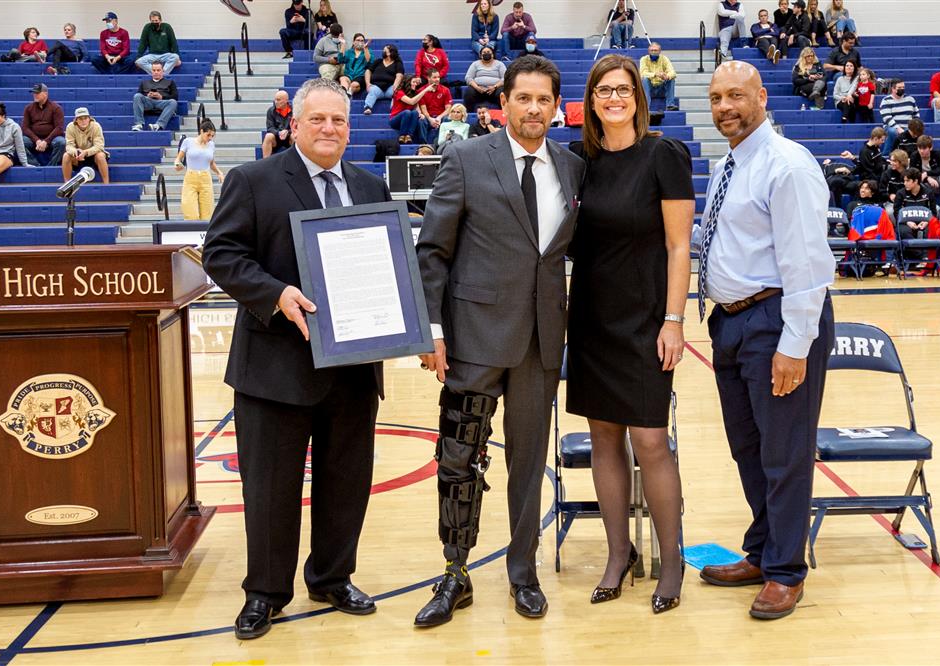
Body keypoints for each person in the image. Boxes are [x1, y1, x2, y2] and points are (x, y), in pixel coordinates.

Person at [203, 77, 390, 641]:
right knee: (269, 488)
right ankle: (265, 591)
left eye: (339, 120)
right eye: (318, 120)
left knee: (346, 481)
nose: (329, 129)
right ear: (294, 124)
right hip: (274, 368)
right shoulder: (254, 180)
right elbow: (221, 253)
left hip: (354, 368)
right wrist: (275, 294)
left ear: (349, 128)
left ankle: (333, 577)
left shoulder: (369, 184)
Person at [413, 55, 585, 628]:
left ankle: (523, 572)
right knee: (459, 459)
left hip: (541, 342)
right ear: (503, 102)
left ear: (555, 107)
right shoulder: (464, 158)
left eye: (544, 99)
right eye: (523, 98)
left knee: (530, 462)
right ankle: (455, 572)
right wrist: (432, 330)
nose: (533, 108)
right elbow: (433, 251)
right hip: (473, 339)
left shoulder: (572, 165)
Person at [696, 60, 834, 621]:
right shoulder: (732, 162)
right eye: (715, 98)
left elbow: (806, 263)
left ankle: (785, 572)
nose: (725, 106)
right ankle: (762, 550)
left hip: (778, 321)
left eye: (736, 95)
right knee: (748, 450)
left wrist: (795, 344)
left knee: (783, 453)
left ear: (761, 98)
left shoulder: (787, 165)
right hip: (732, 323)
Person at [566, 54, 694, 614]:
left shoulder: (664, 155)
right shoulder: (580, 162)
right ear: (591, 101)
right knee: (604, 441)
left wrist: (674, 319)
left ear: (637, 98)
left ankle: (672, 560)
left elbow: (678, 246)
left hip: (646, 320)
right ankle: (619, 555)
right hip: (593, 318)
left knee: (649, 442)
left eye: (623, 90)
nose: (613, 98)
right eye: (603, 91)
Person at [175, 119, 223, 220]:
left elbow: (211, 162)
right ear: (201, 131)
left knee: (207, 214)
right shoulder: (188, 141)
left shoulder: (211, 145)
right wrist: (177, 164)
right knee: (191, 213)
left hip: (205, 178)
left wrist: (219, 172)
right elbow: (179, 158)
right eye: (208, 135)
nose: (210, 138)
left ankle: (205, 235)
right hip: (191, 178)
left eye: (212, 136)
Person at [21, 83, 65, 167]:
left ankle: (51, 167)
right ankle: (35, 165)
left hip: (51, 138)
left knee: (61, 142)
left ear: (45, 94)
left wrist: (46, 141)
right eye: (34, 93)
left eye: (37, 93)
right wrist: (37, 140)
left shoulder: (56, 108)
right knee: (21, 141)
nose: (35, 95)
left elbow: (59, 128)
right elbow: (25, 128)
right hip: (34, 139)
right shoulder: (28, 108)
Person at [62, 107, 109, 185]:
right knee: (66, 156)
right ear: (76, 120)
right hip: (78, 156)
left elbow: (99, 146)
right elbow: (69, 145)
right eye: (80, 119)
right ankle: (67, 184)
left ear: (89, 118)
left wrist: (86, 152)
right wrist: (76, 152)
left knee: (100, 155)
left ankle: (106, 184)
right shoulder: (70, 127)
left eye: (85, 118)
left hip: (93, 155)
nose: (83, 121)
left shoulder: (96, 126)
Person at [132, 61, 178, 131]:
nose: (156, 72)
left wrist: (161, 97)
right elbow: (138, 97)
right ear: (151, 71)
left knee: (173, 102)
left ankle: (158, 125)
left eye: (158, 70)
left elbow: (175, 97)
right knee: (137, 96)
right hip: (148, 103)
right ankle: (139, 124)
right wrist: (147, 96)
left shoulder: (170, 82)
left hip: (162, 103)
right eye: (154, 70)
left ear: (163, 71)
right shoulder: (144, 83)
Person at [878, 79, 920, 156]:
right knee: (893, 132)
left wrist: (913, 127)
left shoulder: (910, 99)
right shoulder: (886, 100)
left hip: (908, 127)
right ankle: (887, 154)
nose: (902, 89)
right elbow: (887, 118)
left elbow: (916, 114)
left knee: (916, 131)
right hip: (892, 127)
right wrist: (898, 128)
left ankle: (909, 155)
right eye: (899, 88)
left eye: (903, 87)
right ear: (893, 89)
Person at [0, 103, 29, 184]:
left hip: (5, 154)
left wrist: (25, 163)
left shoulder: (14, 127)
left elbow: (20, 147)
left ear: (3, 116)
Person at [135, 11, 180, 76]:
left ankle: (160, 74)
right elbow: (143, 43)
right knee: (139, 62)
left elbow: (173, 42)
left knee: (175, 57)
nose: (154, 22)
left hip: (166, 54)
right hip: (152, 55)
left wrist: (178, 59)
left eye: (156, 20)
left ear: (160, 20)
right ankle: (160, 74)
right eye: (152, 21)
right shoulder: (147, 27)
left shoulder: (167, 27)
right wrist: (138, 56)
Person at [363, 44, 404, 115]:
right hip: (377, 87)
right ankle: (367, 108)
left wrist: (395, 86)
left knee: (397, 92)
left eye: (385, 50)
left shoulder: (398, 63)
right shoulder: (378, 61)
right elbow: (368, 71)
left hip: (391, 87)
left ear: (390, 53)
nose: (383, 51)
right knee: (372, 90)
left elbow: (399, 75)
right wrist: (368, 83)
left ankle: (394, 110)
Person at [463, 46, 506, 111]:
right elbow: (468, 78)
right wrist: (477, 87)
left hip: (495, 90)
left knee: (501, 92)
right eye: (484, 52)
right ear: (480, 55)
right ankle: (468, 113)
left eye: (488, 52)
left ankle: (503, 112)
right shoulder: (475, 64)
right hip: (478, 90)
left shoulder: (499, 64)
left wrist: (494, 87)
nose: (486, 53)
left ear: (493, 54)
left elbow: (505, 78)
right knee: (469, 92)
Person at [639, 42, 678, 111]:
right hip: (649, 89)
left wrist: (667, 76)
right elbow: (642, 73)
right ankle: (645, 107)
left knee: (671, 79)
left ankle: (670, 105)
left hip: (661, 89)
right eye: (652, 50)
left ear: (660, 51)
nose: (653, 52)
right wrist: (655, 74)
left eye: (656, 50)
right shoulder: (644, 59)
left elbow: (673, 72)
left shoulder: (664, 59)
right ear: (649, 51)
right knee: (645, 79)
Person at [389, 75, 428, 144]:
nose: (415, 84)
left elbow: (417, 108)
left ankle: (409, 136)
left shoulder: (414, 93)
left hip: (408, 121)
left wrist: (420, 114)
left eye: (416, 83)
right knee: (407, 112)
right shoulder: (399, 92)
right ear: (407, 82)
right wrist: (425, 90)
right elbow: (411, 101)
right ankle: (402, 135)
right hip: (395, 120)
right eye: (413, 82)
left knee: (415, 113)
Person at [418, 69, 453, 145]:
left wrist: (439, 117)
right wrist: (430, 119)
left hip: (440, 116)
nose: (437, 79)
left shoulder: (445, 90)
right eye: (434, 77)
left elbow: (448, 108)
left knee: (447, 118)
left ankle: (439, 143)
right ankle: (423, 145)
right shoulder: (422, 91)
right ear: (428, 78)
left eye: (438, 77)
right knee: (421, 120)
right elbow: (423, 109)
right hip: (428, 117)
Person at [263, 90, 294, 157]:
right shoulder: (271, 111)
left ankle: (297, 162)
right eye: (275, 100)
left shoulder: (294, 111)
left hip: (289, 137)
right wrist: (278, 133)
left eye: (278, 100)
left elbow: (298, 126)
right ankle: (265, 163)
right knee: (268, 136)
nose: (276, 102)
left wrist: (287, 132)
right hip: (276, 138)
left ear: (286, 100)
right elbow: (270, 128)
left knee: (295, 136)